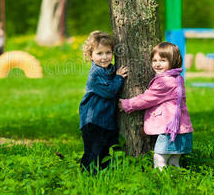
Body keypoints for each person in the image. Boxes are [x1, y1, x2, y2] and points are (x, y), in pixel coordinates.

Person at [120, 42, 193, 171]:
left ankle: (162, 182)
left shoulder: (165, 82)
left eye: (163, 60)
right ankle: (176, 181)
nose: (157, 64)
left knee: (160, 158)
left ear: (173, 61)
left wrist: (127, 104)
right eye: (154, 60)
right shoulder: (177, 78)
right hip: (181, 129)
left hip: (170, 130)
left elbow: (147, 98)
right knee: (173, 161)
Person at [79, 31, 128, 172]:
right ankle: (87, 175)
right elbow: (109, 92)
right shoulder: (95, 74)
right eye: (99, 53)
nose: (104, 57)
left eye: (108, 52)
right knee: (93, 151)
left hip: (106, 120)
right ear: (90, 55)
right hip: (93, 120)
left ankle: (103, 174)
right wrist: (118, 78)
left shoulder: (110, 69)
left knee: (106, 151)